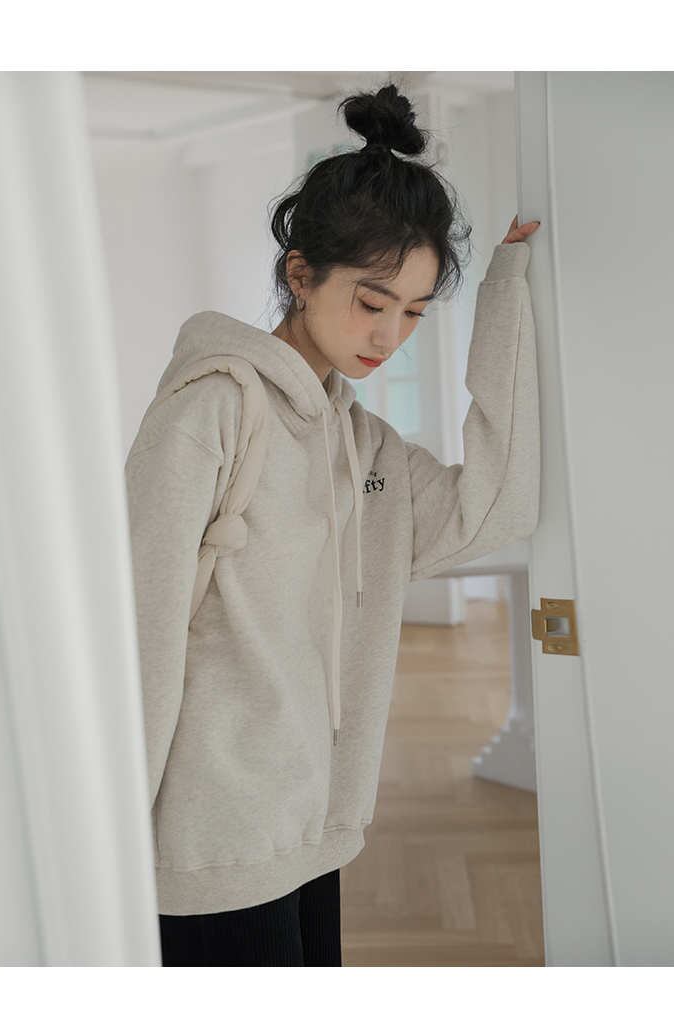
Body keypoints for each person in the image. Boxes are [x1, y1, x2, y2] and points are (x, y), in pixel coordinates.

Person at [124, 80, 542, 967]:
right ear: (299, 274)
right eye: (370, 301)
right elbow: (138, 631)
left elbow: (496, 508)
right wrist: (109, 838)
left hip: (316, 822)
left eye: (414, 313)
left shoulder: (367, 447)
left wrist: (507, 295)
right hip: (209, 839)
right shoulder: (210, 413)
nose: (389, 337)